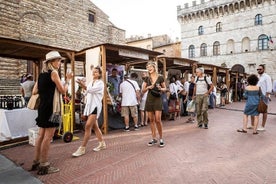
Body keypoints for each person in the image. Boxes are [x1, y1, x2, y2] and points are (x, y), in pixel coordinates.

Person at [31, 51, 73, 175]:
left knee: (40, 136)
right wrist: (68, 80)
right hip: (52, 109)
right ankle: (44, 165)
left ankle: (36, 161)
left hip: (43, 108)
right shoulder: (54, 73)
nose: (60, 63)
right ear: (51, 62)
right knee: (48, 137)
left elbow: (34, 91)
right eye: (58, 60)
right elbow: (63, 90)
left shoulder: (41, 74)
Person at [72, 66, 106, 157]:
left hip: (95, 107)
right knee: (95, 127)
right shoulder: (91, 82)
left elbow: (90, 90)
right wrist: (80, 90)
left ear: (99, 74)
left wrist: (82, 85)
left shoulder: (100, 83)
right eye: (93, 72)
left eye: (96, 72)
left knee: (87, 126)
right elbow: (86, 93)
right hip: (89, 107)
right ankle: (102, 143)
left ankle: (82, 148)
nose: (94, 73)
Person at [142, 61, 166, 147]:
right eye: (147, 67)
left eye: (150, 66)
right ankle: (154, 138)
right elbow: (143, 90)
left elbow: (165, 88)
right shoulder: (147, 78)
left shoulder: (160, 77)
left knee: (158, 119)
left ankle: (161, 138)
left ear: (154, 67)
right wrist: (148, 87)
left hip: (157, 99)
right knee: (151, 120)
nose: (149, 68)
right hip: (149, 99)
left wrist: (161, 88)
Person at [256, 64, 272, 131]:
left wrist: (267, 96)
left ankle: (262, 126)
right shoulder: (258, 77)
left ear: (264, 69)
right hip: (257, 95)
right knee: (257, 110)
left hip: (264, 95)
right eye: (258, 69)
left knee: (264, 111)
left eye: (260, 69)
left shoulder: (267, 77)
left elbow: (269, 87)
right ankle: (255, 124)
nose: (259, 70)